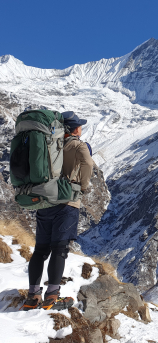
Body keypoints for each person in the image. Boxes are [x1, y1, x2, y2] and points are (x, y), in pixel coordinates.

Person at [21, 111, 93, 311]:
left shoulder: (48, 144)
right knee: (59, 249)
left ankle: (32, 297)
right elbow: (88, 163)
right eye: (79, 125)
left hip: (45, 201)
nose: (81, 128)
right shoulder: (78, 145)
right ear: (74, 129)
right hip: (67, 203)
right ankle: (52, 296)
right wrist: (83, 186)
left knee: (40, 250)